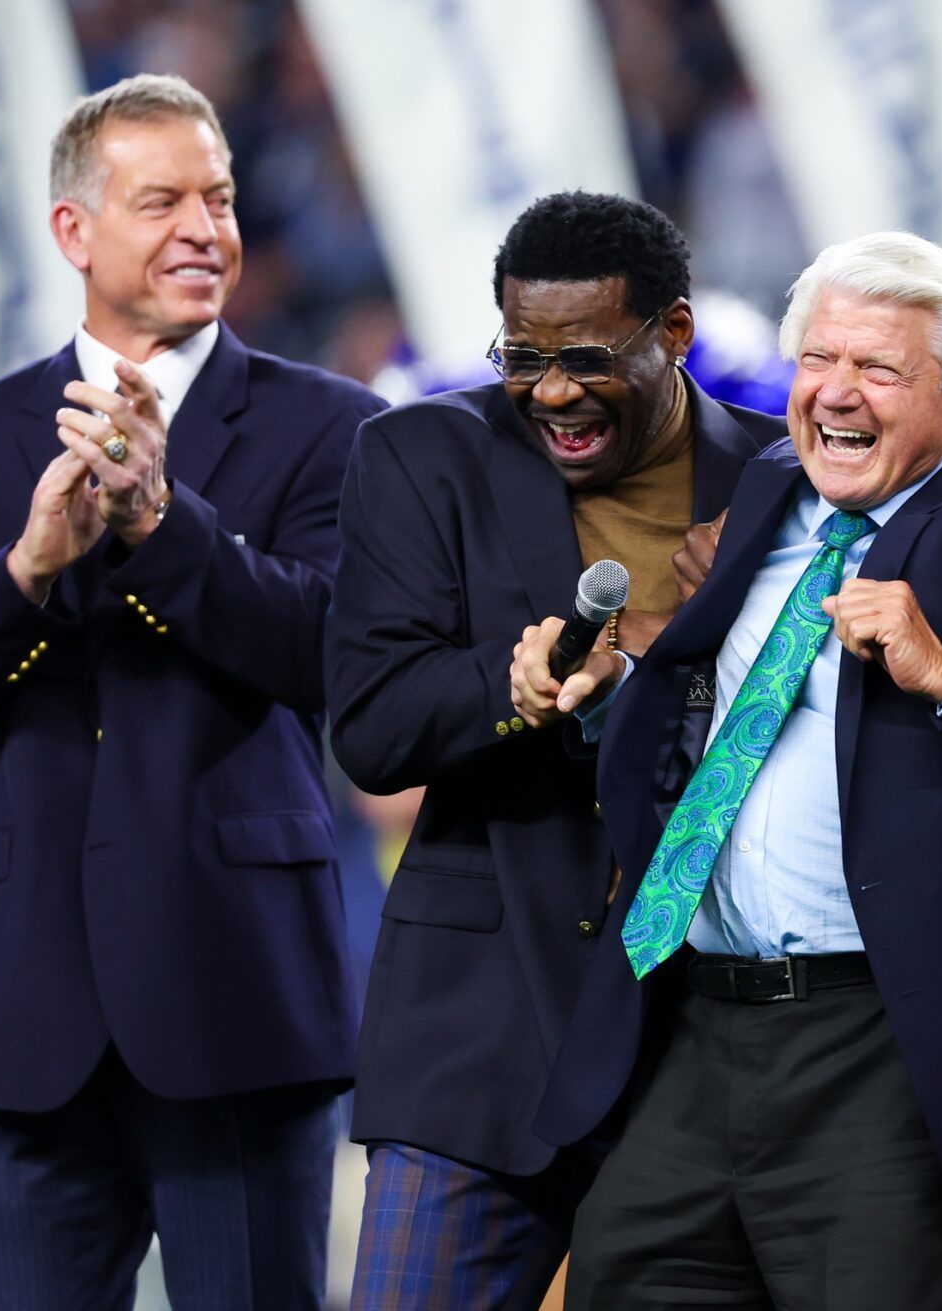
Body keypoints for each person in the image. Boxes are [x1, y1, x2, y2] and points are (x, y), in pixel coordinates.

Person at [521, 232, 942, 1310]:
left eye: (877, 369)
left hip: (890, 1045)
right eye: (819, 360)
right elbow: (718, 704)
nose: (835, 393)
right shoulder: (767, 492)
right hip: (692, 1022)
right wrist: (606, 687)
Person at [0, 73, 383, 1307]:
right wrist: (26, 569)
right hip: (18, 1012)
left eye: (222, 197)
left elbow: (330, 655)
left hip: (237, 998)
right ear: (74, 232)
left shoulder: (337, 428)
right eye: (163, 201)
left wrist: (161, 519)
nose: (206, 227)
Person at [323, 190, 783, 1310]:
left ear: (673, 333)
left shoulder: (781, 482)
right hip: (475, 1041)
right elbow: (373, 727)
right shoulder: (419, 457)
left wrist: (681, 656)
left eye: (586, 356)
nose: (554, 392)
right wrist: (510, 686)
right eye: (522, 356)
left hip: (700, 1046)